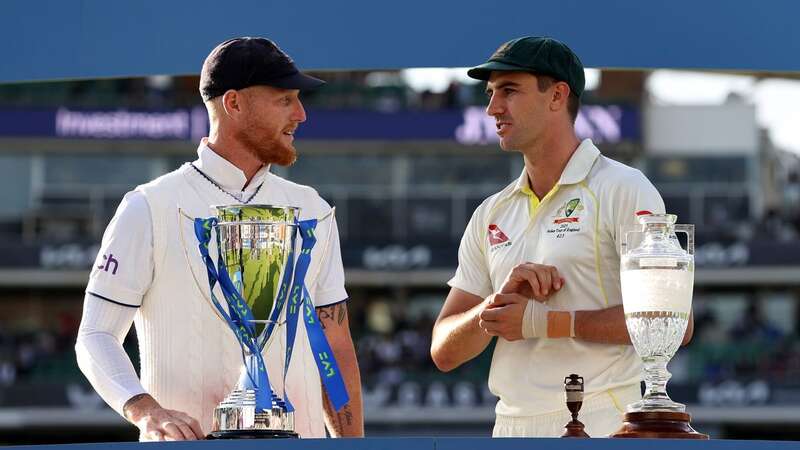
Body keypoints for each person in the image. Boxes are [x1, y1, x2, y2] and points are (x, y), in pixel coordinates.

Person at [75, 37, 363, 441]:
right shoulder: (148, 206)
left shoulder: (312, 209)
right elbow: (95, 335)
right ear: (234, 104)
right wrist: (145, 411)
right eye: (284, 100)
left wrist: (353, 447)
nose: (301, 114)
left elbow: (334, 345)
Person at [430, 36, 693, 437]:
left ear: (557, 95)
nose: (492, 108)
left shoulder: (623, 187)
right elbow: (443, 351)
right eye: (491, 93)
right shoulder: (492, 212)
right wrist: (494, 307)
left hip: (604, 417)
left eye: (509, 90)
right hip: (509, 425)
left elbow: (676, 321)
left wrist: (543, 322)